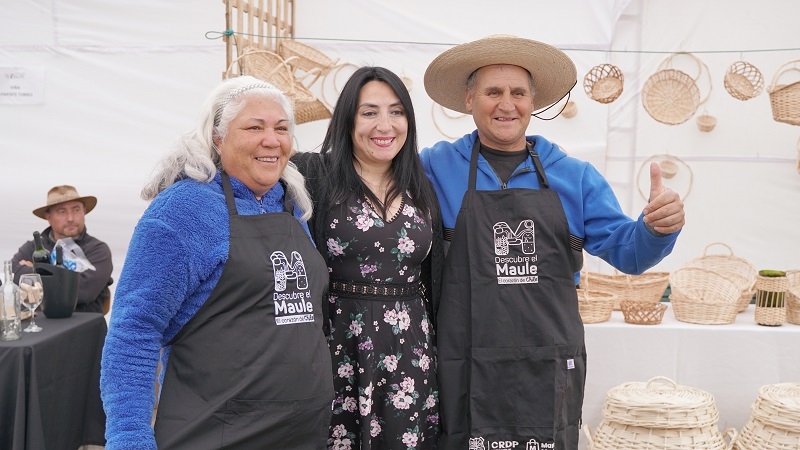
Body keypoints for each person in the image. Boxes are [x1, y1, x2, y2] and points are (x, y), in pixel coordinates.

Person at [419, 35, 686, 449]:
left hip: (547, 367)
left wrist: (657, 228)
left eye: (518, 93)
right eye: (493, 92)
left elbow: (628, 253)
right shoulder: (433, 167)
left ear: (533, 101)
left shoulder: (574, 177)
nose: (507, 104)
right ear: (469, 98)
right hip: (464, 362)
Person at [100, 76, 333, 449]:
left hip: (302, 432)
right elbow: (134, 331)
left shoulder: (291, 204)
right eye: (254, 127)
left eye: (281, 128)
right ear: (217, 138)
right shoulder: (184, 210)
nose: (271, 140)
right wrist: (129, 437)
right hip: (217, 431)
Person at [292, 66, 443, 449]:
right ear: (347, 119)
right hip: (336, 343)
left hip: (409, 349)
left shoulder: (420, 185)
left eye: (397, 111)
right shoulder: (312, 174)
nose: (385, 125)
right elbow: (247, 173)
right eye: (369, 112)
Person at [11, 185, 113, 314]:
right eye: (62, 211)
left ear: (84, 211)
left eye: (76, 210)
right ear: (48, 217)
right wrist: (66, 279)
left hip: (82, 327)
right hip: (38, 325)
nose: (70, 218)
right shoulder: (33, 247)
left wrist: (34, 274)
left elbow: (84, 292)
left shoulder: (97, 249)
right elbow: (14, 276)